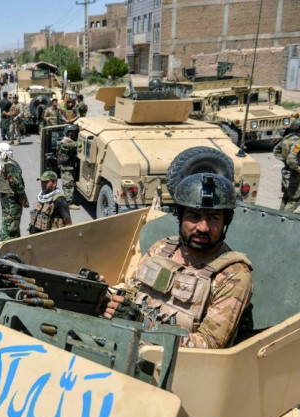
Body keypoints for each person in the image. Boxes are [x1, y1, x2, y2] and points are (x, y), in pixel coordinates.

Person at [104, 173, 253, 349]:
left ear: (225, 222)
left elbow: (209, 344)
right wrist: (105, 297)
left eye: (213, 218)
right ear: (180, 217)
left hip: (177, 365)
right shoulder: (162, 249)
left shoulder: (233, 275)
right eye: (194, 216)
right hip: (128, 342)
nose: (202, 227)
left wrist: (145, 326)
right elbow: (131, 292)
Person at [0, 142, 29, 240]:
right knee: (11, 225)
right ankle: (7, 247)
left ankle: (8, 246)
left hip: (10, 200)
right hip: (9, 201)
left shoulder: (8, 165)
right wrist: (23, 197)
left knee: (10, 224)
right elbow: (16, 184)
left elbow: (15, 183)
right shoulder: (7, 165)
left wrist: (23, 198)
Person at [272, 119, 300, 212]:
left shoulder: (287, 138)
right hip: (294, 176)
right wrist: (297, 168)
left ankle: (279, 218)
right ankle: (285, 220)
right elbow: (292, 160)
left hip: (286, 173)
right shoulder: (298, 142)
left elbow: (276, 150)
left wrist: (285, 161)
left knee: (286, 197)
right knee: (294, 200)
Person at [57, 124, 80, 209]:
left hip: (67, 166)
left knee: (68, 183)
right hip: (66, 167)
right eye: (74, 132)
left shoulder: (68, 140)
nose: (75, 134)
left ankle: (68, 200)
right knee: (68, 184)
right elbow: (68, 146)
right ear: (69, 133)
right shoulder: (65, 142)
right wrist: (79, 143)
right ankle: (69, 203)